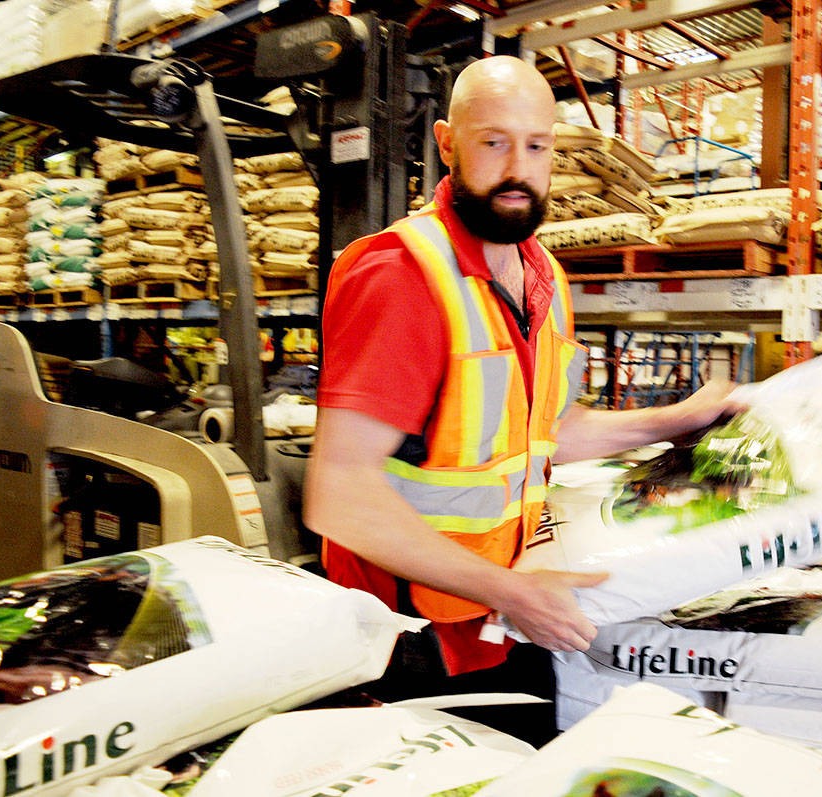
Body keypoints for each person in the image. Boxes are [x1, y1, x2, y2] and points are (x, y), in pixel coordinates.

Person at [303, 56, 737, 746]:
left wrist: (677, 419)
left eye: (536, 146)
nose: (518, 168)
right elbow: (339, 495)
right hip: (406, 643)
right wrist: (511, 593)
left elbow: (546, 430)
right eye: (494, 142)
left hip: (501, 619)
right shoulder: (401, 275)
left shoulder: (543, 275)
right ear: (447, 144)